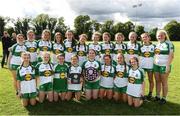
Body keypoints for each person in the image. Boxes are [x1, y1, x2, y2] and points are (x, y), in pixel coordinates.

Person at [154, 30, 174, 104]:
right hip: (156, 65)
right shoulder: (157, 44)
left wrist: (167, 66)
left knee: (164, 82)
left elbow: (171, 56)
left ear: (165, 35)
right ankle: (157, 96)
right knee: (157, 81)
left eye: (162, 35)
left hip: (164, 66)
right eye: (158, 35)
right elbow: (156, 55)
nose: (160, 37)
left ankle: (164, 98)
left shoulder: (169, 44)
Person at [139, 33, 155, 99]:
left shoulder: (154, 46)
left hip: (150, 66)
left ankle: (150, 94)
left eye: (146, 37)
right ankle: (141, 94)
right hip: (142, 66)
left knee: (151, 80)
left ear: (149, 38)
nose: (144, 38)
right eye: (143, 37)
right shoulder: (140, 47)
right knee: (141, 80)